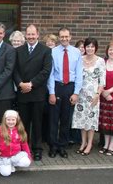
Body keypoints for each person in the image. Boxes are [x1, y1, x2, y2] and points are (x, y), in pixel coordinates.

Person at [13, 24, 52, 161]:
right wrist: (20, 84)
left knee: (37, 123)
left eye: (32, 34)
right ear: (25, 35)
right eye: (28, 34)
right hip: (22, 93)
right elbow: (15, 70)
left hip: (37, 93)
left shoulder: (45, 51)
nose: (30, 36)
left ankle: (37, 149)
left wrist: (31, 84)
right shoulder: (18, 50)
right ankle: (24, 148)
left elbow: (46, 71)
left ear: (38, 35)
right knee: (23, 123)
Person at [47, 27, 83, 158]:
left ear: (70, 37)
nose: (64, 39)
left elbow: (79, 73)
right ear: (59, 37)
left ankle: (62, 145)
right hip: (57, 86)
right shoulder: (52, 52)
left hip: (70, 87)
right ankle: (53, 146)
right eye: (62, 36)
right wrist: (51, 92)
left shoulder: (76, 52)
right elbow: (50, 74)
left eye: (66, 36)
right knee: (53, 119)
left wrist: (76, 93)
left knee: (66, 118)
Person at [71, 37, 106, 156]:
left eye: (92, 46)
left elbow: (102, 81)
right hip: (80, 94)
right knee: (81, 119)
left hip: (93, 96)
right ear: (84, 47)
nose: (90, 48)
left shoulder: (100, 61)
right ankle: (83, 142)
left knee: (91, 121)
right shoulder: (79, 59)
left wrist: (98, 94)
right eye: (88, 46)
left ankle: (90, 143)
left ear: (96, 48)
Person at [0, 110, 32, 176]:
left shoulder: (20, 130)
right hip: (4, 156)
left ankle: (11, 163)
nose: (11, 122)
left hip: (16, 155)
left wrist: (29, 155)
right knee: (5, 173)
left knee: (26, 162)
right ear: (5, 120)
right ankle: (6, 163)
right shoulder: (0, 129)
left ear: (17, 120)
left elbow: (24, 144)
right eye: (8, 120)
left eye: (13, 120)